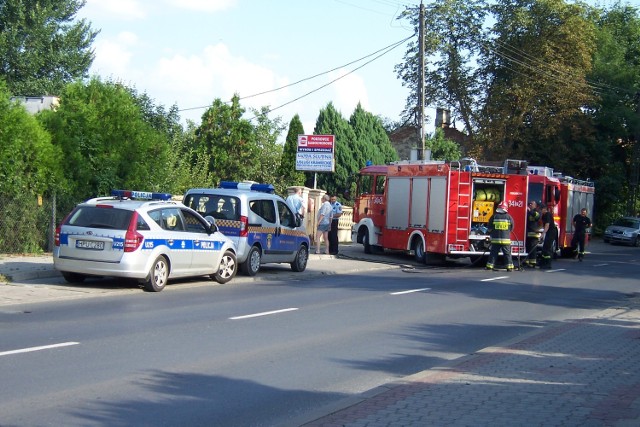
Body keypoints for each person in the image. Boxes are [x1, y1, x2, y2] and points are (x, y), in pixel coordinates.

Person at [485, 201, 515, 272]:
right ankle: (509, 267)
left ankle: (490, 266)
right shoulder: (509, 217)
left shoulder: (494, 216)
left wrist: (489, 233)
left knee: (493, 253)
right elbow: (512, 227)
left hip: (496, 239)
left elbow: (489, 227)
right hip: (506, 239)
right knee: (507, 253)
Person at [539, 204, 557, 269]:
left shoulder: (547, 215)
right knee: (544, 248)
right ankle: (543, 262)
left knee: (547, 248)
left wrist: (542, 234)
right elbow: (543, 225)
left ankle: (548, 264)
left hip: (551, 232)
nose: (540, 211)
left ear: (544, 209)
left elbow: (547, 225)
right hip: (549, 232)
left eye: (541, 209)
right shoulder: (544, 216)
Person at [525, 200, 541, 267]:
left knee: (533, 249)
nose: (530, 205)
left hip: (534, 234)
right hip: (527, 233)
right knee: (527, 248)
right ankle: (527, 261)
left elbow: (536, 216)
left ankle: (533, 262)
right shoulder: (527, 212)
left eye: (531, 204)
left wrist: (530, 211)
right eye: (529, 204)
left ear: (535, 205)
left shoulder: (537, 212)